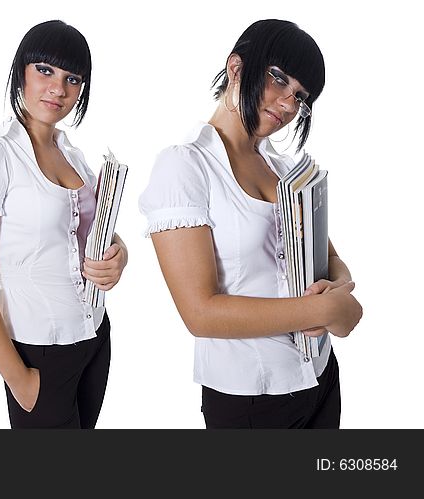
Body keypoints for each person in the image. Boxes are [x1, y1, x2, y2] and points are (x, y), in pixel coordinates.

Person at [139, 19, 363, 428]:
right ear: (236, 68)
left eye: (300, 96)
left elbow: (328, 258)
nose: (288, 104)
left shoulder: (284, 171)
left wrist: (340, 288)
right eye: (279, 79)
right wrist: (320, 308)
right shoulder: (184, 166)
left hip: (320, 377)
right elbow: (199, 313)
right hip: (251, 400)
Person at [0, 20, 127, 429]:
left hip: (94, 335)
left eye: (72, 79)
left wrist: (119, 254)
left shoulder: (75, 156)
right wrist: (19, 378)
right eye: (44, 71)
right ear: (21, 72)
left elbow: (90, 233)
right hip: (38, 350)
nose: (58, 89)